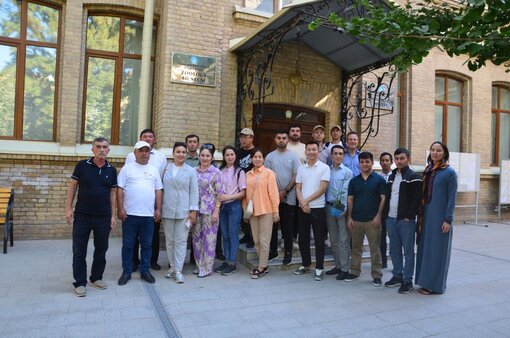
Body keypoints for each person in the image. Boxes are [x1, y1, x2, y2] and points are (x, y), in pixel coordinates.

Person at [65, 137, 117, 297]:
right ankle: (80, 282)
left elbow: (113, 193)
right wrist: (68, 208)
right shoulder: (82, 165)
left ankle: (96, 277)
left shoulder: (111, 169)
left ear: (108, 150)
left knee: (101, 249)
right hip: (82, 216)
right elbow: (73, 187)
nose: (102, 149)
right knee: (79, 250)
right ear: (93, 149)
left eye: (105, 147)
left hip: (103, 216)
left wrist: (113, 215)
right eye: (98, 146)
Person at [117, 141, 163, 285]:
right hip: (130, 214)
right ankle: (127, 271)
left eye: (146, 151)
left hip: (148, 215)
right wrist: (120, 208)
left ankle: (145, 271)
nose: (144, 153)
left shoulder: (154, 169)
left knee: (147, 245)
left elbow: (158, 190)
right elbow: (120, 189)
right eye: (141, 151)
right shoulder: (127, 169)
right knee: (128, 244)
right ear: (135, 152)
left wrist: (158, 209)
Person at [415, 142, 458, 295]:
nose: (435, 153)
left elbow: (452, 198)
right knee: (426, 249)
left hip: (440, 217)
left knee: (437, 251)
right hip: (426, 216)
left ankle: (435, 285)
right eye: (433, 150)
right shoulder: (428, 170)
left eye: (438, 150)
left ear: (444, 153)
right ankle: (424, 281)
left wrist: (448, 219)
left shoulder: (450, 172)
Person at [125, 128, 167, 271]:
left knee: (152, 235)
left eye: (150, 137)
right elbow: (126, 179)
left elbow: (161, 181)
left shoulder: (161, 157)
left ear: (154, 140)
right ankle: (133, 262)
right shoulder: (131, 156)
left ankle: (151, 261)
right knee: (134, 236)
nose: (148, 138)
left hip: (153, 200)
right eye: (145, 136)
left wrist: (158, 206)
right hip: (134, 203)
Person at [383, 148, 422, 294]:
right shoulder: (392, 176)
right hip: (391, 219)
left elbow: (417, 199)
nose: (399, 161)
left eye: (402, 158)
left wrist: (409, 216)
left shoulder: (414, 176)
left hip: (405, 221)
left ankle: (407, 280)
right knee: (394, 250)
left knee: (408, 251)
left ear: (408, 159)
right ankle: (397, 276)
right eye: (397, 158)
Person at [344, 151, 386, 286]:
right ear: (359, 163)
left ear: (372, 163)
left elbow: (383, 199)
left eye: (367, 161)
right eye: (362, 162)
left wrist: (378, 216)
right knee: (356, 248)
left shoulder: (379, 180)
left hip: (372, 221)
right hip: (356, 220)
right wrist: (349, 217)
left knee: (375, 249)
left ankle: (377, 275)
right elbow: (350, 200)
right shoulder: (354, 181)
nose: (364, 164)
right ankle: (355, 272)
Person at [161, 142, 199, 284]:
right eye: (178, 152)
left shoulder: (190, 171)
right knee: (169, 241)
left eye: (183, 152)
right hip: (168, 209)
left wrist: (193, 210)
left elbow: (194, 192)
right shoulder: (166, 169)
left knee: (181, 241)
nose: (181, 154)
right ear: (173, 153)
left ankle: (178, 270)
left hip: (184, 211)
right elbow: (161, 189)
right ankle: (172, 266)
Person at [294, 141, 330, 281]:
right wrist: (302, 203)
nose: (311, 152)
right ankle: (306, 264)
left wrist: (305, 201)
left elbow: (322, 189)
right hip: (303, 208)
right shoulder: (301, 169)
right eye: (309, 150)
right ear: (305, 152)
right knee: (302, 239)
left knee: (319, 239)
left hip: (318, 208)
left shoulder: (324, 168)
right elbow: (298, 188)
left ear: (318, 151)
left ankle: (319, 267)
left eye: (314, 149)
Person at [265, 129, 301, 265]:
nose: (281, 140)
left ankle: (288, 253)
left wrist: (285, 191)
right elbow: (267, 177)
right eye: (279, 138)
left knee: (288, 227)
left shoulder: (294, 156)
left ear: (287, 140)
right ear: (275, 139)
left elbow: (295, 175)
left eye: (284, 138)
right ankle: (273, 251)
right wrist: (276, 193)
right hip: (272, 198)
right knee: (273, 227)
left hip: (289, 197)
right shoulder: (269, 157)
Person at [243, 149, 280, 279]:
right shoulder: (247, 174)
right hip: (252, 211)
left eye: (260, 156)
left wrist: (276, 211)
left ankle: (262, 267)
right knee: (256, 240)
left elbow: (274, 193)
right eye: (255, 157)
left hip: (267, 210)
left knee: (264, 240)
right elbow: (245, 195)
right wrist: (245, 212)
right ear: (252, 159)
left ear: (263, 159)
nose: (257, 159)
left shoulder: (269, 173)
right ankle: (263, 264)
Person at [193, 144, 223, 278]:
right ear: (199, 157)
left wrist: (216, 211)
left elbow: (219, 194)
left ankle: (207, 267)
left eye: (208, 156)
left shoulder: (216, 172)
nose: (205, 158)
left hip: (210, 211)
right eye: (203, 155)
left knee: (209, 240)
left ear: (212, 157)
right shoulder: (193, 171)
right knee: (196, 239)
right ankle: (199, 264)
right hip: (196, 210)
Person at [215, 146, 246, 275]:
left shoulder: (239, 171)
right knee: (225, 235)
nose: (230, 157)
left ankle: (232, 263)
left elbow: (243, 192)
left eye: (232, 154)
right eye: (227, 155)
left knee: (233, 235)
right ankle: (227, 260)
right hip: (223, 207)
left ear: (235, 156)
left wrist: (228, 197)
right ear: (224, 157)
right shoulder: (219, 171)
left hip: (234, 206)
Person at [325, 145, 353, 280]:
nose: (338, 156)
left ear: (343, 156)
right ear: (331, 155)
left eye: (340, 154)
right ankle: (337, 265)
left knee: (343, 239)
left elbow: (346, 191)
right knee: (333, 238)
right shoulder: (326, 170)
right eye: (335, 153)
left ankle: (345, 268)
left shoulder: (347, 172)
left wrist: (343, 208)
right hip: (328, 206)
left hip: (339, 206)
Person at [237, 127, 257, 248]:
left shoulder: (256, 152)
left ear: (252, 138)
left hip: (252, 186)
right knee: (242, 212)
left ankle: (252, 237)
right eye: (241, 137)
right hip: (239, 187)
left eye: (246, 137)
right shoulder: (238, 152)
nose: (243, 139)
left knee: (251, 212)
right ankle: (246, 234)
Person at [378, 152, 393, 269]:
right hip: (381, 212)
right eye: (383, 160)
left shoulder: (397, 175)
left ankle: (395, 261)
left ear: (391, 162)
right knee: (381, 238)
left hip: (393, 211)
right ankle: (383, 261)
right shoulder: (377, 177)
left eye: (387, 160)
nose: (385, 162)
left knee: (394, 238)